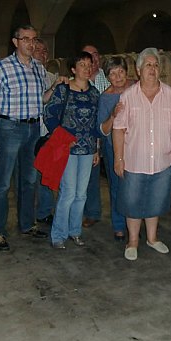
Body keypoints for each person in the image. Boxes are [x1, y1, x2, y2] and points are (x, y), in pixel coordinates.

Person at [113, 47, 171, 261]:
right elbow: (118, 129)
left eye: (156, 65)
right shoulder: (128, 97)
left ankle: (153, 238)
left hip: (163, 160)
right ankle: (133, 240)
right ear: (138, 71)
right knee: (133, 202)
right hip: (134, 161)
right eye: (148, 65)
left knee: (156, 201)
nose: (153, 69)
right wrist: (119, 158)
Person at [0, 24, 50, 251]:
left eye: (34, 39)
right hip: (9, 128)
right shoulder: (2, 67)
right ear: (15, 42)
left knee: (29, 180)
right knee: (2, 183)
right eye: (26, 39)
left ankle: (27, 224)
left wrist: (57, 87)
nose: (31, 43)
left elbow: (41, 99)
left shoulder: (39, 68)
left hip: (32, 129)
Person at [44, 51, 100, 249]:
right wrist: (61, 139)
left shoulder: (94, 93)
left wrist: (96, 149)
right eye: (81, 64)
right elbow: (49, 115)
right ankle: (58, 234)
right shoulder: (63, 90)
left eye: (88, 64)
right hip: (67, 149)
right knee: (68, 192)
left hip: (87, 148)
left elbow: (95, 123)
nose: (86, 68)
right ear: (73, 69)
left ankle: (74, 231)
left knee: (81, 194)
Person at [97, 56, 133, 241]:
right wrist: (112, 115)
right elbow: (102, 130)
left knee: (135, 186)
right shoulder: (106, 97)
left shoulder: (136, 89)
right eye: (113, 73)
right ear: (107, 77)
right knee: (117, 187)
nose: (118, 77)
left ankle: (134, 224)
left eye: (121, 71)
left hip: (136, 146)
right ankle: (119, 225)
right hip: (114, 148)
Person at [81, 44, 110, 229]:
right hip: (90, 134)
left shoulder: (108, 79)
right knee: (90, 176)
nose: (92, 59)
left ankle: (122, 216)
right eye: (88, 56)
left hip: (109, 132)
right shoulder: (78, 81)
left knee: (116, 174)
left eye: (95, 54)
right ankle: (92, 213)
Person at [31, 38, 60, 225]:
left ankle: (44, 212)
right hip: (30, 130)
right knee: (29, 175)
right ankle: (26, 213)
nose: (43, 54)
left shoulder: (52, 77)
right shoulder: (28, 75)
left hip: (47, 133)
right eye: (39, 50)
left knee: (45, 174)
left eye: (45, 51)